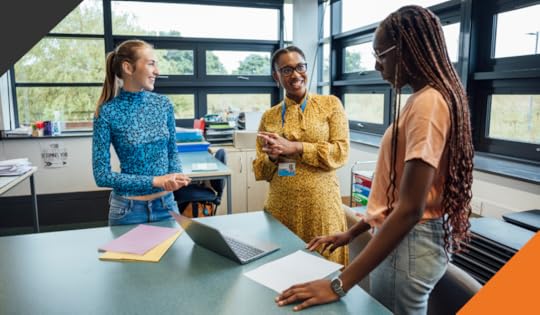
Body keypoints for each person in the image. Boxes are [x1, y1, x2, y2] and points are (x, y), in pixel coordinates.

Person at [275, 5, 474, 314]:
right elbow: (396, 196)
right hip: (407, 239)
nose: (377, 65)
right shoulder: (424, 99)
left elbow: (409, 210)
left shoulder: (428, 104)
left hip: (410, 242)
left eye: (381, 55)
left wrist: (339, 282)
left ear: (406, 50)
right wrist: (353, 232)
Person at [253, 46, 350, 265]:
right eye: (286, 70)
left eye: (300, 67)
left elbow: (340, 152)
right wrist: (273, 157)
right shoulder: (270, 116)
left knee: (325, 269)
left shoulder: (330, 105)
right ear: (276, 76)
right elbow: (260, 169)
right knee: (282, 269)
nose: (296, 75)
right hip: (280, 209)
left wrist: (296, 148)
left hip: (321, 209)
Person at [92, 39, 191, 225]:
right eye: (151, 63)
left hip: (167, 206)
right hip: (127, 212)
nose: (157, 71)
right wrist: (156, 181)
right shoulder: (106, 112)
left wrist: (175, 176)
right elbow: (101, 176)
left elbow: (172, 151)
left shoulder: (164, 105)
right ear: (128, 68)